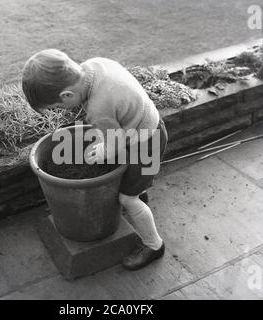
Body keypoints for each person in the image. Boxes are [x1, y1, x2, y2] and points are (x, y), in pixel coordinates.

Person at [22, 49, 168, 270]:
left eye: (58, 107)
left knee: (128, 200)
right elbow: (116, 118)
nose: (62, 110)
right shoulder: (96, 65)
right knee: (126, 175)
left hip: (146, 144)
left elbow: (115, 143)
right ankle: (137, 188)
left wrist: (102, 151)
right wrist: (104, 140)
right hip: (145, 125)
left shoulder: (98, 109)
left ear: (67, 95)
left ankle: (154, 246)